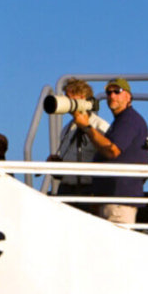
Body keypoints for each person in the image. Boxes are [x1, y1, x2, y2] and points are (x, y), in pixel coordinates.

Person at [74, 78, 148, 224]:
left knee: (118, 245)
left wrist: (87, 127)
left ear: (128, 96)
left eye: (117, 91)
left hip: (119, 201)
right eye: (109, 92)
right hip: (113, 199)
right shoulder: (122, 120)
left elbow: (112, 150)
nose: (112, 96)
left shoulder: (129, 120)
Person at [47, 79, 110, 208]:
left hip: (89, 189)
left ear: (82, 98)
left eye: (69, 97)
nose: (66, 101)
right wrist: (56, 166)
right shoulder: (67, 128)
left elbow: (107, 155)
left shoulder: (100, 126)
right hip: (65, 189)